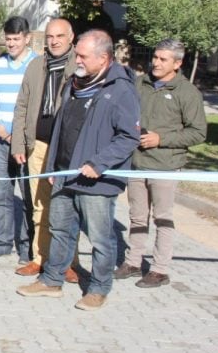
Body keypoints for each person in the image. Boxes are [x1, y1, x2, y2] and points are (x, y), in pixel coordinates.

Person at [17, 30, 140, 311]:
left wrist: (99, 164)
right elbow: (61, 127)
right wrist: (51, 166)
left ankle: (98, 288)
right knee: (59, 228)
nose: (78, 60)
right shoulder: (74, 83)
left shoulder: (121, 90)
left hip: (97, 181)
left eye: (83, 56)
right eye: (78, 54)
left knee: (99, 237)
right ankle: (51, 280)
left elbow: (128, 137)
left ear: (104, 58)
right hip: (64, 173)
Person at [114, 39, 206, 288]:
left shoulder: (187, 93)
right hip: (137, 162)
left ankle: (159, 269)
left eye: (163, 59)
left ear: (177, 63)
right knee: (137, 216)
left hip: (165, 164)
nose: (156, 62)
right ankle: (133, 262)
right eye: (155, 57)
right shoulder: (140, 83)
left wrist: (161, 139)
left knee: (162, 218)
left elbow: (198, 133)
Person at [11, 18, 79, 282]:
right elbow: (22, 107)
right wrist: (19, 143)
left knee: (66, 206)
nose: (54, 41)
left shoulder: (80, 65)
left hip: (67, 149)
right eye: (50, 36)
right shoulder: (35, 66)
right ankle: (40, 258)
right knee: (39, 205)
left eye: (60, 36)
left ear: (71, 37)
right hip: (36, 144)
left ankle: (68, 262)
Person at [0, 16, 37, 262]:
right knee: (1, 192)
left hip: (25, 142)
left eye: (16, 39)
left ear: (27, 38)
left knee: (27, 195)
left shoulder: (37, 65)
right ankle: (2, 241)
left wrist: (21, 134)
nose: (12, 44)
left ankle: (27, 247)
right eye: (9, 39)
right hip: (1, 140)